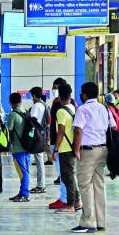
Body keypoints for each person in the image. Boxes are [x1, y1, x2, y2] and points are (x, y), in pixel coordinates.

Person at [71, 82, 115, 233]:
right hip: (103, 150)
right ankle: (100, 221)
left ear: (84, 94)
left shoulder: (82, 109)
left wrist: (76, 150)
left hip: (88, 152)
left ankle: (88, 222)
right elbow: (113, 127)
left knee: (85, 185)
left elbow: (78, 131)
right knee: (99, 186)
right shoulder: (104, 108)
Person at [51, 84, 81, 213]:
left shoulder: (61, 111)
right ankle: (77, 200)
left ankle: (70, 204)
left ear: (59, 96)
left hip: (65, 148)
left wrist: (55, 149)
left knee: (67, 177)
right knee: (70, 176)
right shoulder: (73, 108)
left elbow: (61, 131)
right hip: (73, 147)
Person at [7, 92, 30, 202]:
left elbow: (9, 131)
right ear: (21, 101)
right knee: (26, 170)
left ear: (10, 103)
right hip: (27, 147)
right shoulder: (25, 112)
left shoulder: (12, 115)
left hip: (17, 148)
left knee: (22, 172)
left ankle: (24, 194)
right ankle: (22, 192)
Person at [28, 86, 47, 194]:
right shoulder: (43, 105)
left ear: (34, 96)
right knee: (39, 159)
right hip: (41, 134)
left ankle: (41, 185)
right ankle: (41, 184)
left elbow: (33, 120)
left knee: (39, 160)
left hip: (36, 135)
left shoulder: (36, 106)